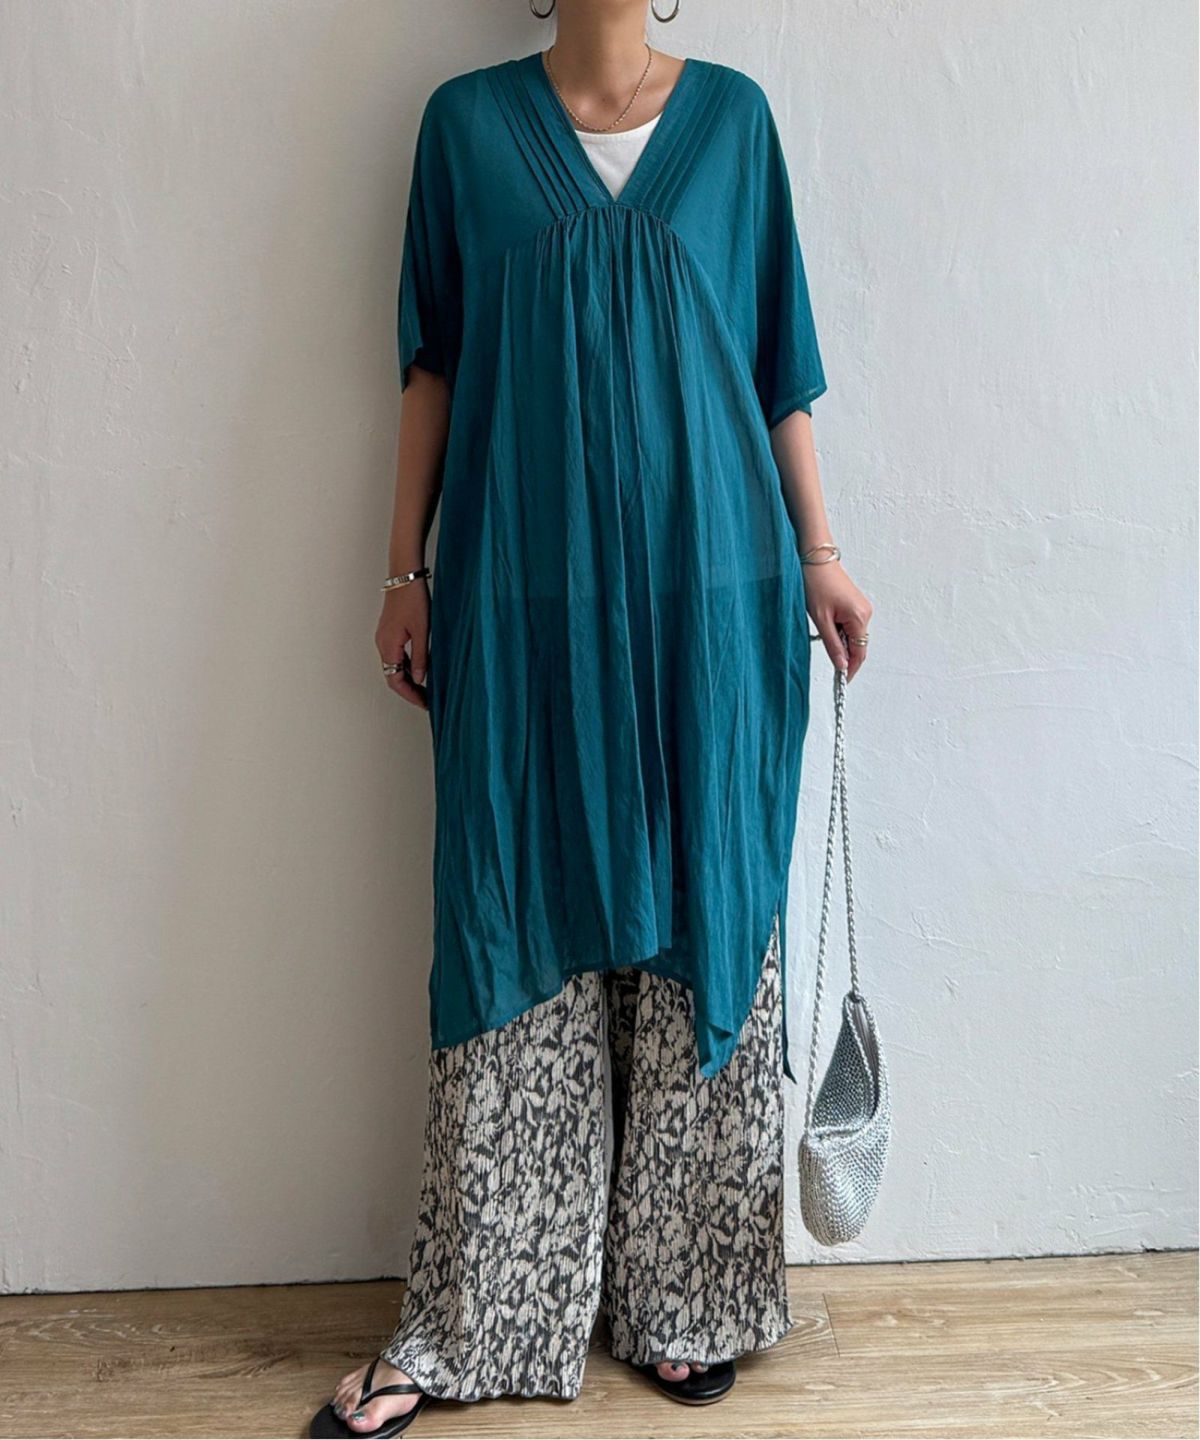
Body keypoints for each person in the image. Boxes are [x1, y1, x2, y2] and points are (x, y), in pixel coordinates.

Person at [311, 2, 872, 1435]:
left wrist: (819, 554)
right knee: (510, 915)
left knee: (705, 910)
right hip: (520, 601)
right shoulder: (464, 128)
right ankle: (477, 1314)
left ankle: (688, 1299)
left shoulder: (734, 123)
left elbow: (779, 367)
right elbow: (433, 364)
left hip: (713, 598)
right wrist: (403, 571)